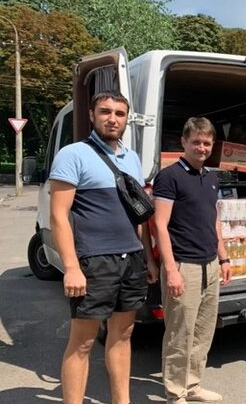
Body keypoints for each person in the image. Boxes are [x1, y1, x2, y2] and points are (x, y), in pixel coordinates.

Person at [50, 90, 159, 404]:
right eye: (105, 111)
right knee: (82, 343)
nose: (113, 119)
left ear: (126, 119)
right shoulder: (73, 155)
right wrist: (71, 267)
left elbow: (139, 214)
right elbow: (59, 215)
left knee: (123, 335)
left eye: (119, 114)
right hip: (95, 262)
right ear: (92, 115)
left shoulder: (132, 157)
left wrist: (149, 259)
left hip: (132, 260)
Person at [153, 117, 232, 404]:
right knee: (179, 333)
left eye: (207, 143)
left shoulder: (210, 177)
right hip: (183, 266)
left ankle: (193, 385)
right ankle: (175, 393)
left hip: (210, 264)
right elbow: (160, 225)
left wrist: (224, 258)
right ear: (183, 142)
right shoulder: (169, 176)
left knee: (202, 331)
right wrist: (171, 269)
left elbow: (214, 221)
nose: (201, 147)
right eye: (196, 141)